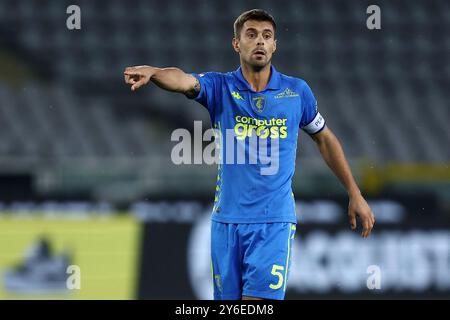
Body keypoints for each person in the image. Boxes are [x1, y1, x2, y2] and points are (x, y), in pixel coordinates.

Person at [124, 9, 375, 300]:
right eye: (251, 35)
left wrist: (354, 192)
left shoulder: (296, 92)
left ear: (275, 45)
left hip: (273, 222)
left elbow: (325, 139)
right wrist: (154, 72)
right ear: (236, 43)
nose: (260, 42)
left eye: (267, 36)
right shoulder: (220, 87)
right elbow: (183, 80)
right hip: (226, 223)